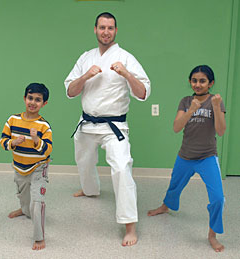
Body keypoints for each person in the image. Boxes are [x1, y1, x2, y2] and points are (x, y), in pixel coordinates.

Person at [64, 12, 150, 246]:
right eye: (102, 27)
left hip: (115, 127)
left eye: (110, 28)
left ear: (116, 31)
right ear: (95, 29)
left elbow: (142, 93)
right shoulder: (85, 58)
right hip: (87, 123)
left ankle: (130, 225)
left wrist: (126, 73)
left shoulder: (126, 58)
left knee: (122, 168)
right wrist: (86, 75)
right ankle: (90, 190)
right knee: (83, 160)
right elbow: (71, 91)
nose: (106, 31)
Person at [148, 65, 226, 252]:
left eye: (202, 81)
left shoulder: (216, 101)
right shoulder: (185, 101)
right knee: (175, 186)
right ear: (190, 82)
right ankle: (166, 206)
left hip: (207, 157)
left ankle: (212, 235)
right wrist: (191, 110)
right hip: (185, 155)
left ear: (210, 83)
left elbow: (221, 131)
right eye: (194, 80)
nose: (198, 84)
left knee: (218, 198)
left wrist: (215, 107)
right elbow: (176, 127)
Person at [0, 83, 52, 250]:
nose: (33, 102)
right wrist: (12, 143)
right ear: (24, 98)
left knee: (37, 202)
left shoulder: (44, 126)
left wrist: (37, 141)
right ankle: (23, 209)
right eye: (30, 98)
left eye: (38, 100)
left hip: (38, 168)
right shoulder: (12, 120)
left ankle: (39, 238)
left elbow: (47, 150)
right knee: (23, 195)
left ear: (44, 104)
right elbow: (3, 141)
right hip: (19, 166)